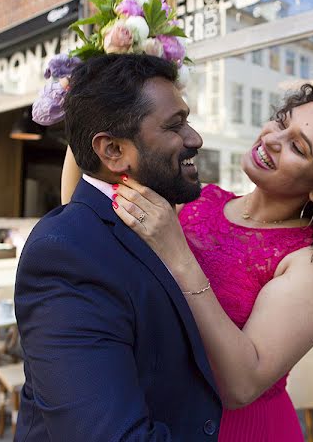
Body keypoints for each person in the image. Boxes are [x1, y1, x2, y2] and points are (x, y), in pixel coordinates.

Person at [63, 83, 313, 441]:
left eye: (297, 146)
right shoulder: (200, 199)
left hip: (241, 431)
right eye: (281, 121)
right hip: (162, 420)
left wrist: (177, 253)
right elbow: (92, 212)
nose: (272, 139)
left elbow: (242, 385)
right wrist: (90, 113)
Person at [14, 53, 222, 441]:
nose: (195, 138)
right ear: (113, 152)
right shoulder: (67, 254)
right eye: (175, 126)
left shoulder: (161, 220)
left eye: (187, 120)